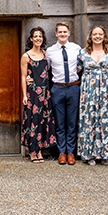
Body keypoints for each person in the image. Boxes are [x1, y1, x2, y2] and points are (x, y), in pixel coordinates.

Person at [77, 26, 108, 165]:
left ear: (104, 36)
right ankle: (89, 154)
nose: (97, 36)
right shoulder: (83, 53)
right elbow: (77, 70)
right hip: (89, 91)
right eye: (95, 34)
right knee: (89, 119)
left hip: (105, 91)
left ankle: (104, 153)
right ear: (90, 36)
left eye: (100, 34)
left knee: (104, 120)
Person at [46, 22, 81, 165]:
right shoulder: (50, 51)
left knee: (72, 123)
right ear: (56, 34)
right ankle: (61, 152)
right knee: (60, 123)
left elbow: (81, 67)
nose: (62, 34)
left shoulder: (76, 48)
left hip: (73, 88)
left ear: (69, 33)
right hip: (57, 89)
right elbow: (45, 69)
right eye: (60, 32)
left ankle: (71, 152)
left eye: (65, 32)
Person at [21, 27, 56, 163]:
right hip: (32, 94)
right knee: (33, 121)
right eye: (35, 36)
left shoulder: (46, 54)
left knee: (43, 121)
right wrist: (24, 95)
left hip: (45, 93)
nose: (38, 38)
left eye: (40, 36)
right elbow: (24, 77)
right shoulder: (26, 56)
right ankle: (32, 151)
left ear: (43, 38)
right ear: (31, 39)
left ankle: (39, 150)